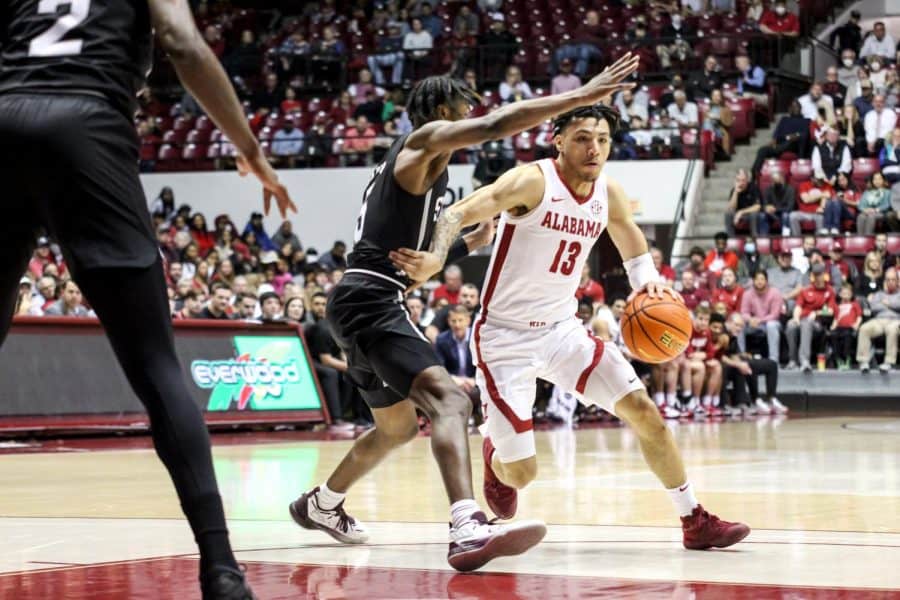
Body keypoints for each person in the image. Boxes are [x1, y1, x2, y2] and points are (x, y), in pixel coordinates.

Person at [289, 55, 645, 570]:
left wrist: (455, 250)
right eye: (464, 106)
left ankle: (320, 503)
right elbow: (498, 124)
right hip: (371, 299)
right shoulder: (423, 140)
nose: (472, 112)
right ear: (438, 109)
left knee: (396, 429)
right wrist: (580, 97)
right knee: (450, 404)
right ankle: (465, 526)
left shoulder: (421, 168)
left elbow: (408, 262)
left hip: (363, 295)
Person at [0, 0, 297, 596]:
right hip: (84, 127)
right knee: (157, 366)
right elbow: (181, 42)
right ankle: (221, 568)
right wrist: (251, 148)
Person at [391, 103, 749, 550]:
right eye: (582, 137)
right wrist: (437, 257)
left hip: (563, 330)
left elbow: (629, 238)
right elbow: (455, 212)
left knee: (644, 411)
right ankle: (494, 453)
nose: (593, 148)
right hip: (505, 338)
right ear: (558, 140)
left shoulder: (608, 193)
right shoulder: (532, 181)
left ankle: (694, 519)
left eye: (601, 139)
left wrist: (648, 286)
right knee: (521, 474)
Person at [725, 313, 787, 415]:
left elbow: (733, 354)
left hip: (734, 361)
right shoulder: (723, 334)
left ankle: (772, 399)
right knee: (746, 365)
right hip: (725, 366)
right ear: (728, 322)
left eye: (741, 326)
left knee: (772, 364)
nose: (739, 329)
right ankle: (755, 400)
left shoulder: (734, 336)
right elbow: (720, 356)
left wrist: (742, 356)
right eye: (737, 325)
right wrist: (739, 364)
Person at [786, 263, 837, 371]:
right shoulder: (806, 290)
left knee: (806, 323)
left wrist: (817, 313)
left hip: (818, 323)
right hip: (802, 318)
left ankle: (804, 361)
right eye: (816, 275)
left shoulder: (829, 291)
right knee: (791, 325)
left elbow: (831, 311)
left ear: (825, 275)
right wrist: (796, 318)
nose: (818, 278)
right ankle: (792, 360)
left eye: (820, 275)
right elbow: (798, 307)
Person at [856, 268, 900, 373]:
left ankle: (889, 362)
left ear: (898, 281)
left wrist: (888, 304)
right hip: (879, 320)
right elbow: (873, 307)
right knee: (864, 328)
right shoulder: (879, 294)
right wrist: (890, 306)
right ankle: (864, 361)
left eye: (893, 279)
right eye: (888, 280)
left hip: (896, 321)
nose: (890, 282)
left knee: (892, 329)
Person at [739, 270, 783, 363]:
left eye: (762, 279)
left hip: (771, 323)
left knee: (771, 325)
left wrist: (760, 320)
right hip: (754, 324)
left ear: (766, 281)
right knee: (739, 324)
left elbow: (775, 314)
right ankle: (741, 356)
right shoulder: (747, 293)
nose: (759, 282)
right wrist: (750, 319)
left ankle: (773, 360)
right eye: (757, 279)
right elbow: (744, 312)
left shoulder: (775, 292)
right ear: (753, 281)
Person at [830, 282, 862, 370]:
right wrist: (833, 325)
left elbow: (859, 316)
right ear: (840, 294)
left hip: (849, 328)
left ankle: (847, 358)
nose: (846, 296)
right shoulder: (838, 306)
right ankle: (838, 359)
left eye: (848, 294)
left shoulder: (854, 304)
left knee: (847, 337)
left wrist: (856, 324)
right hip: (839, 327)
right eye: (844, 293)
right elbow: (836, 318)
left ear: (852, 294)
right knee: (834, 336)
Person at [724, 170, 762, 236]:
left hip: (750, 214)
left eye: (743, 180)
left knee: (754, 214)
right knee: (728, 213)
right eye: (738, 180)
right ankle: (731, 238)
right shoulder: (734, 190)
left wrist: (741, 212)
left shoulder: (754, 188)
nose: (741, 183)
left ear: (747, 180)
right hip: (738, 215)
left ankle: (755, 237)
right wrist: (736, 192)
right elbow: (732, 207)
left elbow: (757, 207)